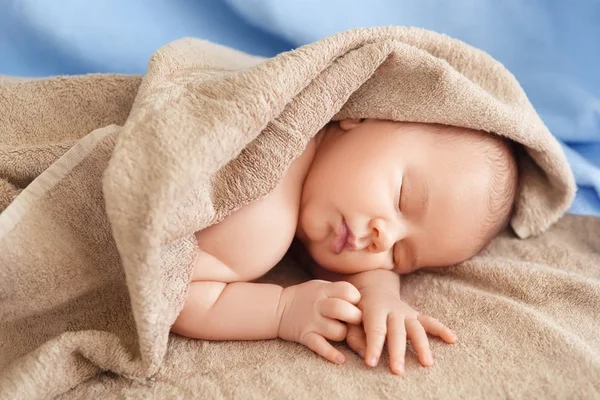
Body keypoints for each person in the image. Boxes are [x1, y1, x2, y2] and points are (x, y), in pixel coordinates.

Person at [171, 118, 518, 375]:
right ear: (365, 115)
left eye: (399, 254)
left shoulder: (316, 176)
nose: (383, 239)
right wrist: (281, 309)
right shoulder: (261, 225)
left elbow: (363, 268)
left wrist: (381, 296)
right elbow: (173, 295)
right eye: (402, 197)